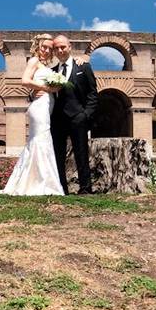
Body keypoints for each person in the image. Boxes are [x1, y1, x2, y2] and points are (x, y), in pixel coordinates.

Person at [1, 34, 67, 195]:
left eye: (49, 48)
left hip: (47, 104)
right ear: (37, 46)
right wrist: (46, 89)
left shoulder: (47, 66)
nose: (46, 50)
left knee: (40, 139)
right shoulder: (33, 61)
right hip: (39, 106)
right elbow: (24, 80)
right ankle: (43, 182)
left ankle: (37, 180)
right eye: (44, 47)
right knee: (41, 138)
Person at [50, 34, 98, 194]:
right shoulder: (52, 72)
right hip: (58, 119)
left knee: (81, 154)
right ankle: (62, 189)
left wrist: (86, 114)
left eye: (62, 47)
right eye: (56, 48)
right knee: (58, 155)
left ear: (69, 47)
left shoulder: (83, 67)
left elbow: (92, 93)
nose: (60, 50)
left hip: (78, 117)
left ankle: (85, 188)